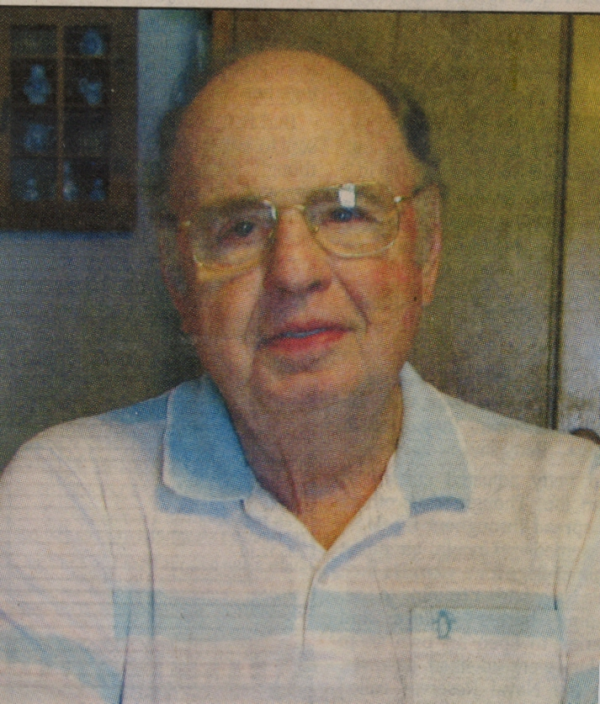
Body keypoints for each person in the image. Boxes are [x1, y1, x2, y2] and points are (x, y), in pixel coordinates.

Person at [0, 49, 599, 704]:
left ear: (425, 251)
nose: (294, 271)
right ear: (179, 281)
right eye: (240, 227)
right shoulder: (71, 499)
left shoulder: (576, 508)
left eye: (345, 212)